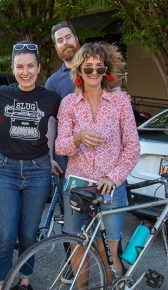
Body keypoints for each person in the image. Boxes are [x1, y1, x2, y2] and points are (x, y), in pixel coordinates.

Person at [55, 41, 140, 286]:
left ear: (107, 71)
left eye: (99, 68)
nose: (93, 73)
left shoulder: (120, 101)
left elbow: (132, 147)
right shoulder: (69, 103)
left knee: (108, 250)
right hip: (77, 185)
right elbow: (60, 146)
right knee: (77, 246)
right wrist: (78, 138)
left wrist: (112, 177)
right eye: (88, 67)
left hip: (110, 188)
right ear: (79, 70)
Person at [0, 41, 61, 290]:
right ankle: (0, 284)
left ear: (39, 68)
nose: (25, 71)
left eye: (30, 66)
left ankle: (25, 281)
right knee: (6, 235)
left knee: (29, 234)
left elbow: (71, 118)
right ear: (13, 67)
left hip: (38, 171)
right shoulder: (4, 94)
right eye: (20, 66)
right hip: (5, 169)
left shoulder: (50, 98)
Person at [45, 20, 81, 176]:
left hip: (100, 148)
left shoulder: (96, 70)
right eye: (60, 41)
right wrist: (49, 156)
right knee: (70, 200)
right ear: (56, 48)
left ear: (76, 39)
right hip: (65, 154)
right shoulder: (53, 82)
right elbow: (50, 121)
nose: (65, 43)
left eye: (68, 37)